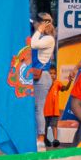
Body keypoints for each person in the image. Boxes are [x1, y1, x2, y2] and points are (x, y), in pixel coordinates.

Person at [30, 12, 56, 149]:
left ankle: (40, 138)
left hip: (42, 76)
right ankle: (35, 135)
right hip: (35, 75)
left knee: (38, 108)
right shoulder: (40, 36)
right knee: (34, 108)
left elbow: (33, 44)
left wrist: (39, 30)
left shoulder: (49, 39)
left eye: (36, 22)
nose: (34, 25)